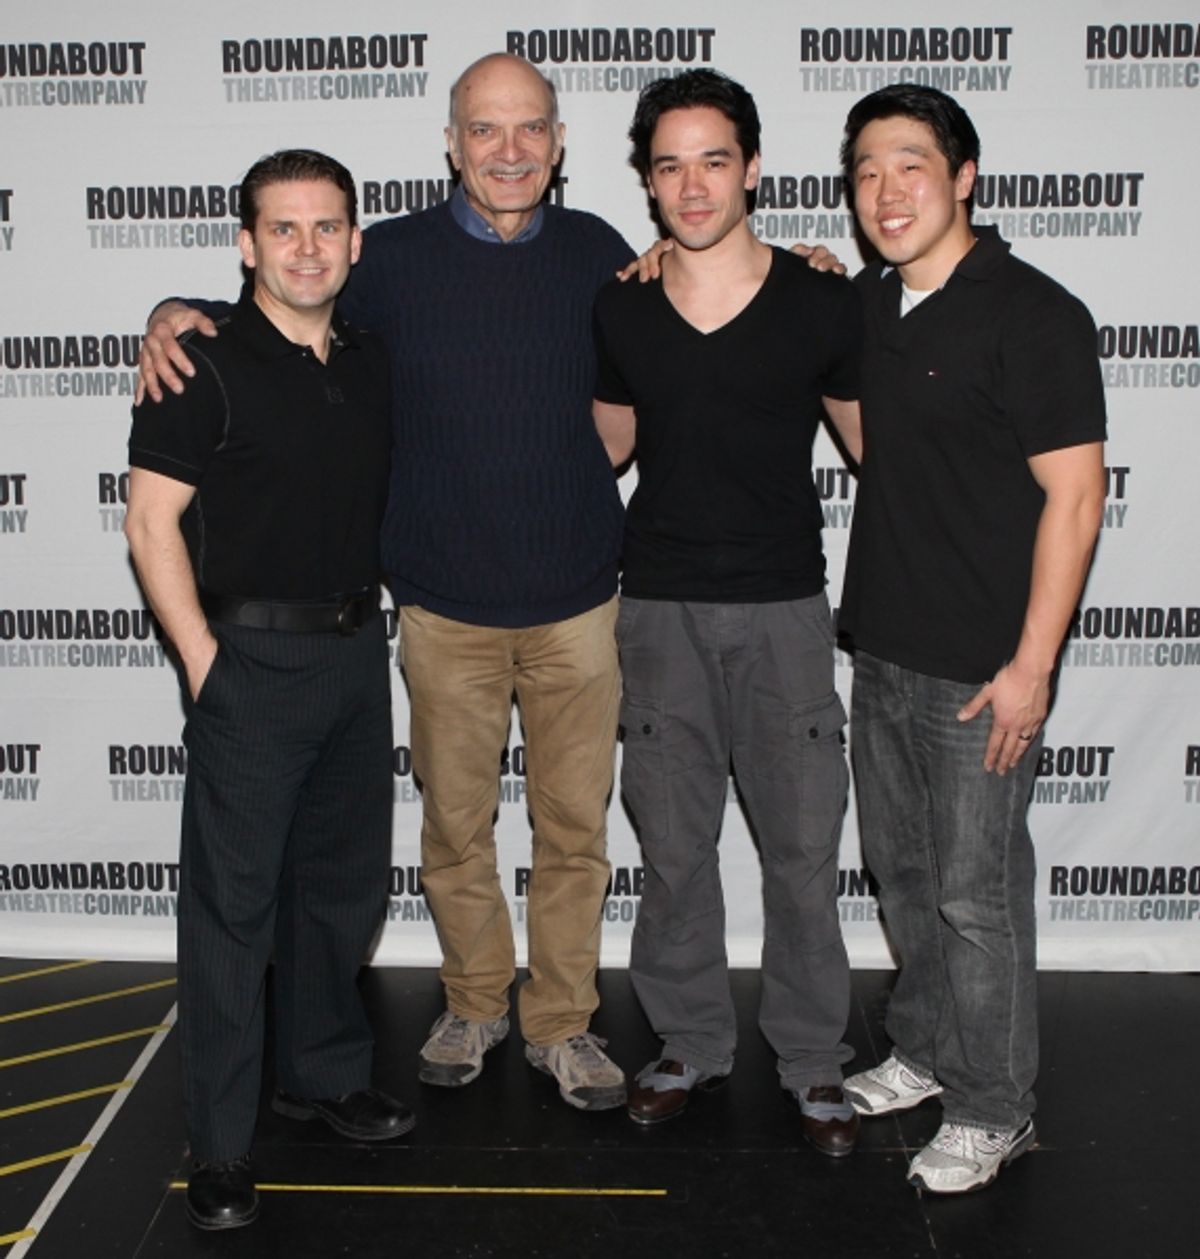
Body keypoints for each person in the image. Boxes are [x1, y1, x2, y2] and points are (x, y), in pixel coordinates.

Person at [138, 53, 844, 1114]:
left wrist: (805, 265)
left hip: (581, 598)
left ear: (558, 147)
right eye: (484, 130)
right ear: (452, 143)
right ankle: (474, 999)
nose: (508, 150)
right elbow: (282, 300)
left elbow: (712, 284)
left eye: (529, 130)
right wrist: (170, 307)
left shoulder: (606, 254)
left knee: (577, 833)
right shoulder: (388, 259)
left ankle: (561, 1019)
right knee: (455, 828)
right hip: (436, 605)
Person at [124, 149, 414, 1232]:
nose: (307, 247)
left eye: (327, 227)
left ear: (353, 242)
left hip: (353, 655)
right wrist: (203, 659)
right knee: (232, 918)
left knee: (338, 892)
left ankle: (324, 1073)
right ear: (246, 245)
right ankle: (222, 1142)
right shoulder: (200, 362)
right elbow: (151, 525)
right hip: (249, 660)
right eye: (283, 229)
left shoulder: (372, 358)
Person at [836, 85, 1107, 1193]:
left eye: (910, 165)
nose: (886, 191)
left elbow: (1077, 498)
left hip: (984, 671)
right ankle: (927, 1051)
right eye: (865, 171)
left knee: (975, 894)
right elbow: (866, 432)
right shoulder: (868, 305)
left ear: (965, 177)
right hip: (885, 648)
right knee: (906, 877)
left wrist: (1031, 666)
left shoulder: (1034, 313)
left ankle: (995, 1106)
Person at [592, 69, 863, 1156]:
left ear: (753, 168)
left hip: (786, 609)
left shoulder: (823, 299)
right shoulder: (619, 302)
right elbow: (605, 448)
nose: (693, 183)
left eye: (714, 159)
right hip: (656, 610)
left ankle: (810, 1059)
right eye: (669, 163)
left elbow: (871, 445)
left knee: (802, 850)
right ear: (648, 182)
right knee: (674, 847)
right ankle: (691, 1042)